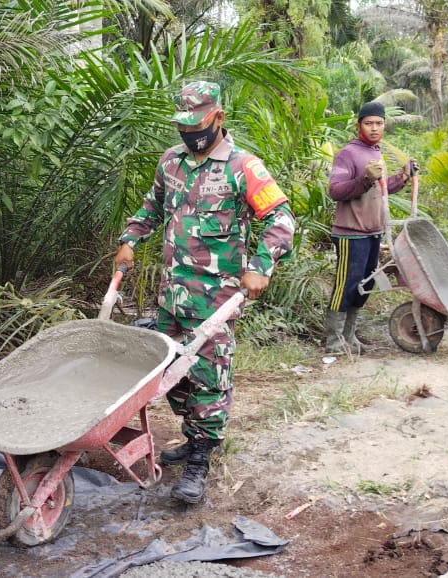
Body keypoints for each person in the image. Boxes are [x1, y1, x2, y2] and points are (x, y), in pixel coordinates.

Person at [113, 81, 296, 504]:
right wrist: (130, 239)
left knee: (209, 379)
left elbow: (282, 219)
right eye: (184, 125)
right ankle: (195, 436)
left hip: (215, 300)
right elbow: (151, 208)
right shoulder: (171, 162)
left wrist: (261, 266)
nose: (190, 134)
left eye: (198, 124)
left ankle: (200, 459)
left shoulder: (243, 166)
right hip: (172, 296)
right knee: (169, 377)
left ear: (218, 117)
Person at [324, 101, 415, 354]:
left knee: (363, 287)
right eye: (369, 123)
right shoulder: (348, 154)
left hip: (373, 232)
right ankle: (334, 341)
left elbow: (382, 187)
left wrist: (403, 176)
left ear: (384, 125)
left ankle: (350, 338)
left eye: (379, 123)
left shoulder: (375, 152)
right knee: (346, 285)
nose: (374, 128)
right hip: (350, 233)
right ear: (359, 125)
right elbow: (335, 190)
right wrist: (364, 178)